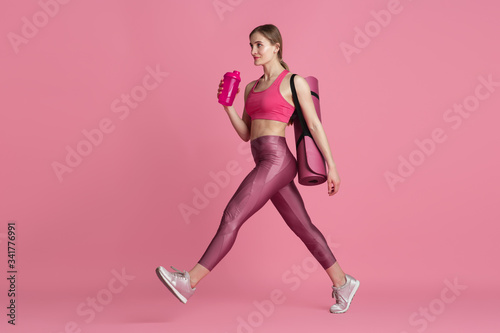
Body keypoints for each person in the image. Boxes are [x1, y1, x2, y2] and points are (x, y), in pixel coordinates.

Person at [156, 24, 359, 314]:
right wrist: (226, 106)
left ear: (276, 46)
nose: (253, 51)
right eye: (251, 45)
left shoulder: (293, 82)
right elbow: (246, 133)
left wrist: (332, 166)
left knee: (232, 214)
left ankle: (189, 281)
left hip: (277, 160)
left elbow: (314, 125)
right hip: (262, 159)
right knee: (304, 228)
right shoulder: (251, 87)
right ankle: (343, 283)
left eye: (259, 45)